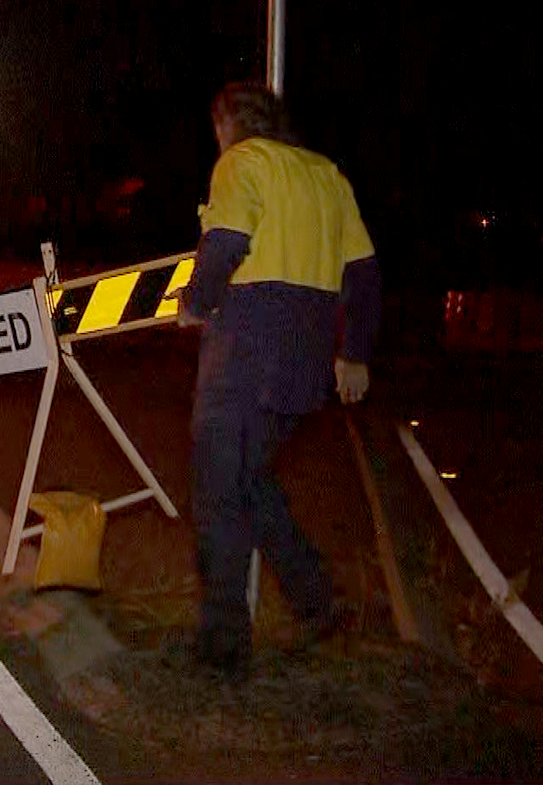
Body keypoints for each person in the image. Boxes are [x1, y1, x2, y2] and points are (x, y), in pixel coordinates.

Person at [176, 83, 381, 679]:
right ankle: (320, 603)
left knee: (218, 494)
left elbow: (228, 243)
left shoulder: (242, 162)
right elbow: (364, 276)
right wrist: (355, 356)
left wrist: (195, 301)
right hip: (304, 361)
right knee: (252, 484)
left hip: (244, 346)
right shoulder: (326, 175)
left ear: (227, 125)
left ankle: (222, 645)